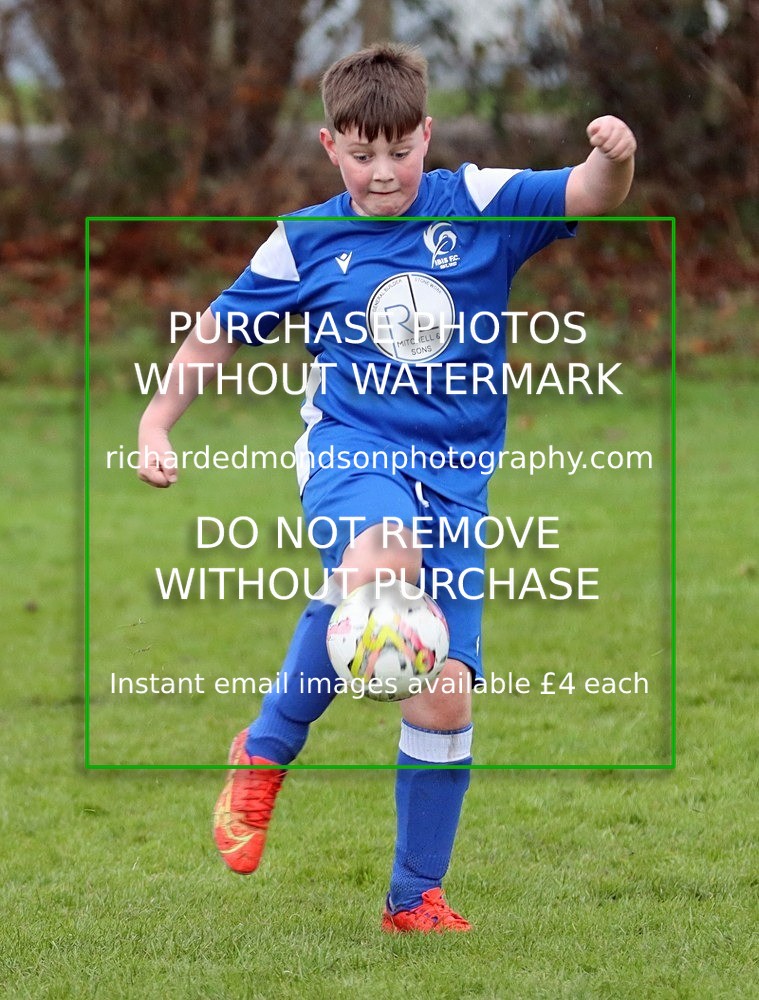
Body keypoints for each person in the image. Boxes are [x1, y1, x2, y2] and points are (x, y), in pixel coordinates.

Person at [137, 43, 636, 933]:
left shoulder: (476, 204)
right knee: (383, 568)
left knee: (442, 691)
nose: (382, 172)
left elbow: (587, 195)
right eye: (362, 154)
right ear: (330, 146)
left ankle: (414, 898)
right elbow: (214, 332)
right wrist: (155, 423)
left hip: (456, 481)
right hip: (353, 449)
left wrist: (614, 157)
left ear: (426, 136)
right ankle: (270, 757)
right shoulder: (304, 241)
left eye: (400, 151)